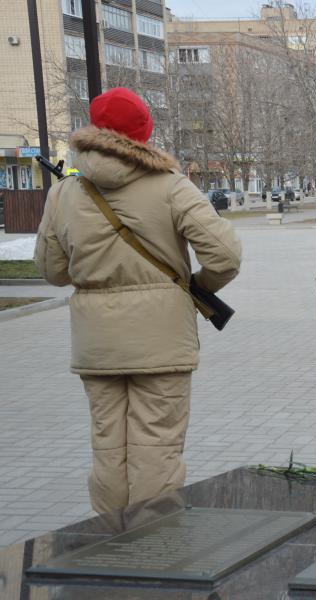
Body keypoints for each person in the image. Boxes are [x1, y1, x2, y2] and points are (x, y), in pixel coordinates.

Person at [34, 87, 242, 514]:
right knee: (157, 449)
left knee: (108, 450)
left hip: (97, 345)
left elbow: (53, 272)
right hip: (162, 342)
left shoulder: (64, 193)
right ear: (144, 133)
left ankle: (109, 546)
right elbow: (226, 255)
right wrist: (192, 285)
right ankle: (152, 556)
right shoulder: (171, 187)